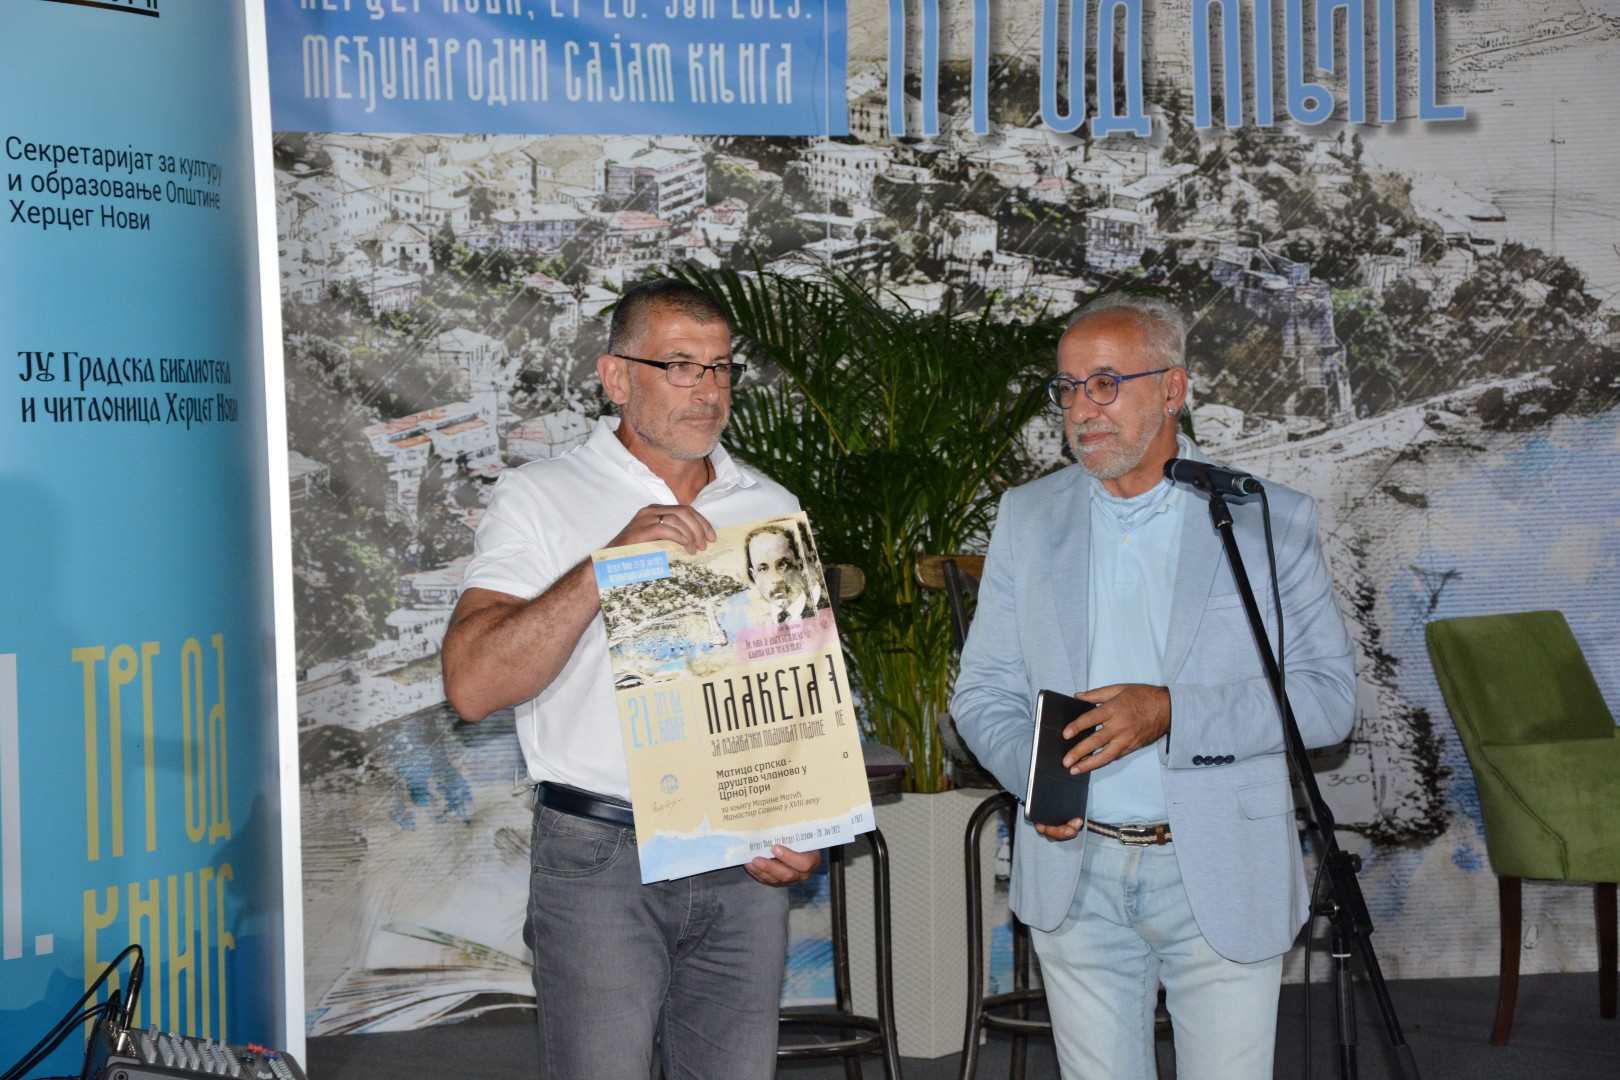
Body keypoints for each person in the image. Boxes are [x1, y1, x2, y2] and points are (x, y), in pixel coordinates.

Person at [950, 293, 1356, 1080]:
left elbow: (1327, 699)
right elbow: (983, 691)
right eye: (1067, 388)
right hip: (1073, 869)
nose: (1081, 409)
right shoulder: (1028, 516)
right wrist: (1037, 781)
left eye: (1106, 383)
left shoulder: (1266, 519)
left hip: (1222, 867)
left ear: (1174, 389)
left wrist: (1171, 713)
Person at [440, 278, 820, 1080]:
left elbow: (790, 693)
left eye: (721, 367)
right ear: (616, 377)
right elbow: (471, 686)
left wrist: (802, 822)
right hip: (602, 855)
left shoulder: (770, 502)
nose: (707, 390)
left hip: (743, 857)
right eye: (680, 366)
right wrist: (603, 568)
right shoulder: (540, 497)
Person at [743, 521, 828, 622]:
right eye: (762, 569)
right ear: (754, 576)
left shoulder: (824, 609)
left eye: (782, 565)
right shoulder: (753, 622)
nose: (775, 579)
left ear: (800, 564)